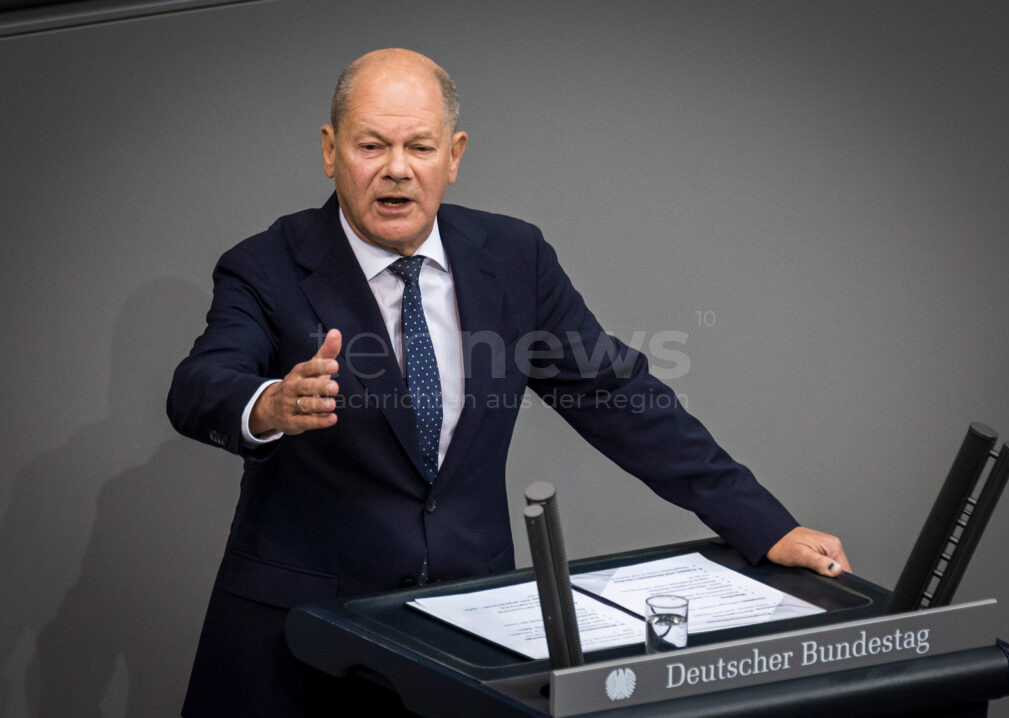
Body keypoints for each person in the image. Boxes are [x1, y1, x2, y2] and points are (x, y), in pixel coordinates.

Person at [167, 48, 849, 717]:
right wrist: (270, 404)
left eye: (421, 148)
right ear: (329, 150)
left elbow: (620, 398)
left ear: (455, 155)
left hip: (463, 638)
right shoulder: (267, 264)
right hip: (300, 645)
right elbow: (200, 383)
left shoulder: (514, 257)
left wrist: (764, 525)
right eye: (371, 146)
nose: (397, 171)